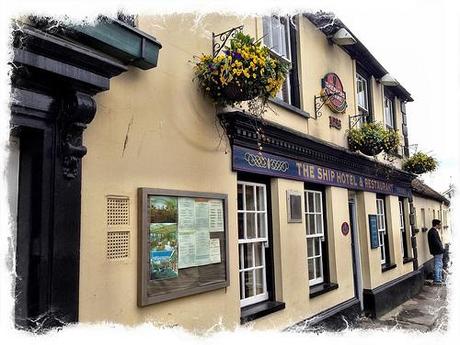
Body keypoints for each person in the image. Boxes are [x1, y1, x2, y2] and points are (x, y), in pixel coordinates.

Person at [427, 219, 445, 285]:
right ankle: (437, 279)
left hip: (437, 251)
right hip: (437, 251)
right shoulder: (433, 232)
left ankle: (439, 278)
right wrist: (442, 249)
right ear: (436, 225)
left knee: (439, 264)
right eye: (440, 224)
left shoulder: (433, 231)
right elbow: (436, 243)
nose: (440, 226)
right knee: (438, 264)